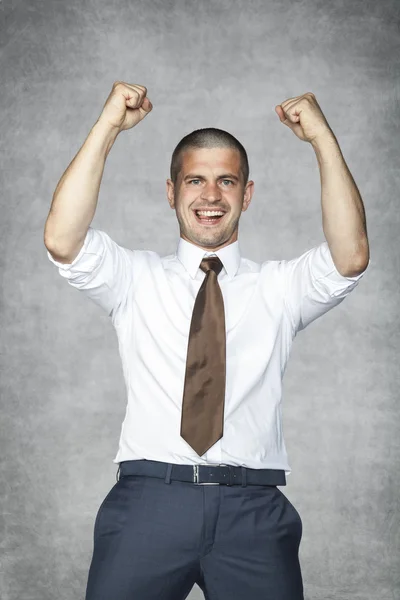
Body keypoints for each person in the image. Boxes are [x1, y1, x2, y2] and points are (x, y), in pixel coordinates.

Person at [44, 82, 370, 600]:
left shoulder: (279, 288)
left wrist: (322, 139)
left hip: (254, 513)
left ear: (247, 193)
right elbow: (62, 239)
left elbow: (350, 255)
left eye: (226, 181)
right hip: (148, 504)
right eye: (194, 180)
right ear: (171, 193)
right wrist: (108, 125)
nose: (211, 196)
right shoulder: (134, 278)